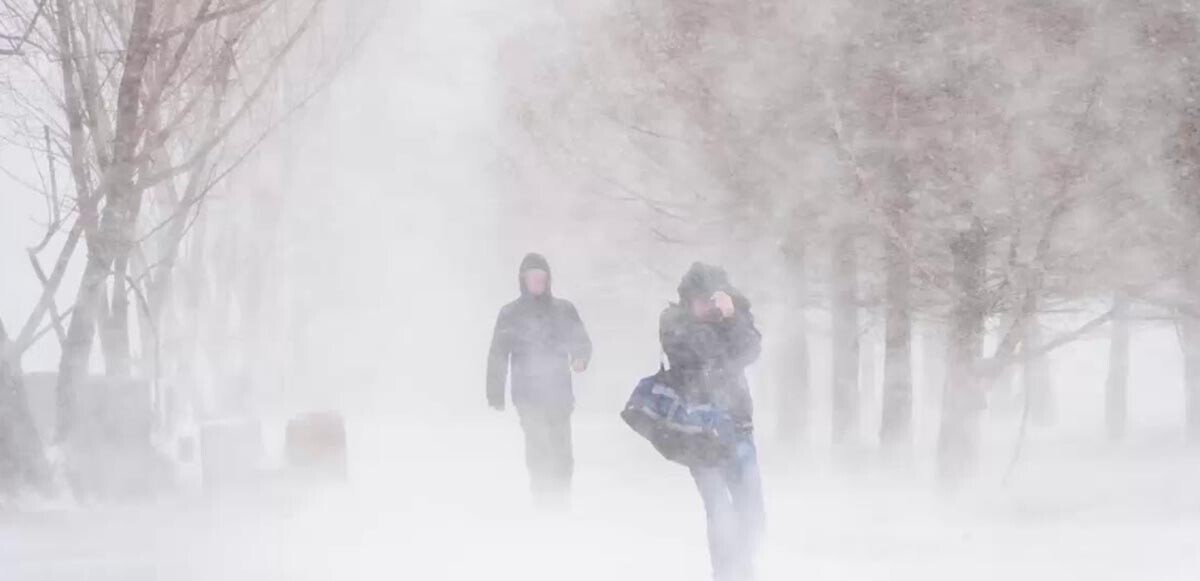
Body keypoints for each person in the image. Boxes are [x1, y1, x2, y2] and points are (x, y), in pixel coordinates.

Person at [660, 262, 765, 581]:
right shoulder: (674, 321)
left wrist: (733, 317)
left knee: (752, 512)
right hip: (698, 433)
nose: (709, 306)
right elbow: (695, 352)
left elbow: (748, 351)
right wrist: (724, 323)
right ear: (688, 299)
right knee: (719, 511)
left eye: (714, 299)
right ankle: (725, 574)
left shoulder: (735, 319)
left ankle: (742, 571)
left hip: (738, 427)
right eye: (702, 300)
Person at [487, 253, 592, 508]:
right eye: (533, 277)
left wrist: (580, 358)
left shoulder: (563, 310)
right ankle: (542, 503)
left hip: (559, 395)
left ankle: (561, 501)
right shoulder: (510, 314)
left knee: (562, 453)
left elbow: (582, 340)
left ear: (548, 280)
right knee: (538, 450)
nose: (538, 282)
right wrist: (495, 393)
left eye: (542, 278)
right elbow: (498, 354)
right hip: (527, 396)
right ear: (523, 280)